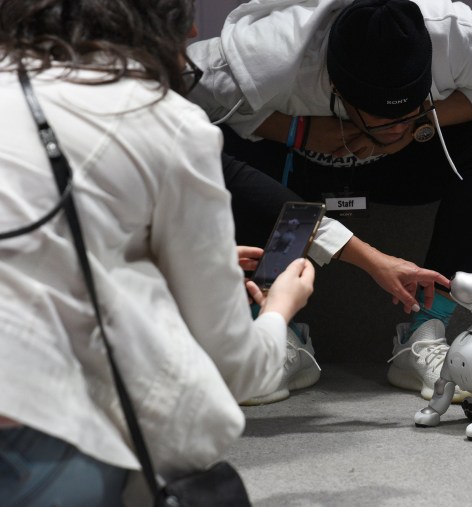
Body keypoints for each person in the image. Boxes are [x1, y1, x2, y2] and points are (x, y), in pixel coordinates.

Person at [0, 1, 314, 504]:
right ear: (165, 28)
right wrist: (280, 308)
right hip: (39, 441)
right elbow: (237, 367)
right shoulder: (162, 120)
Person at [186, 0, 472, 403]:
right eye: (380, 116)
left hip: (404, 165)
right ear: (336, 88)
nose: (394, 126)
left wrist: (423, 124)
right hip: (301, 165)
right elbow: (188, 99)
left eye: (407, 108)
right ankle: (274, 331)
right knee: (224, 147)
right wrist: (297, 131)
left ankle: (424, 336)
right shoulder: (272, 52)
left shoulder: (453, 32)